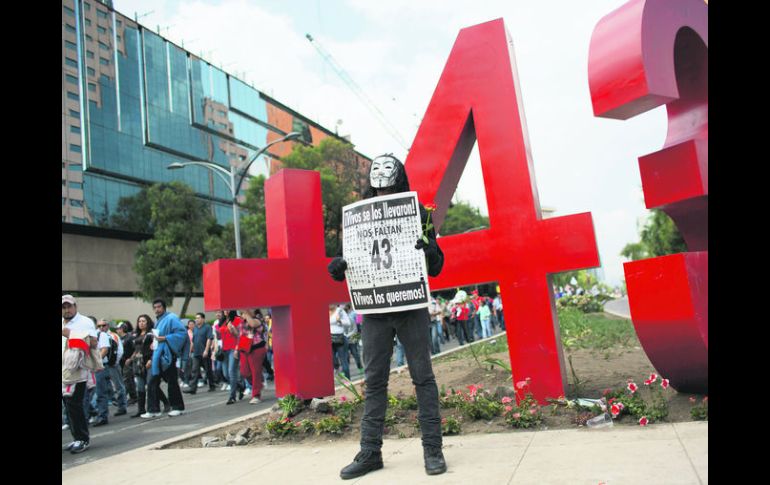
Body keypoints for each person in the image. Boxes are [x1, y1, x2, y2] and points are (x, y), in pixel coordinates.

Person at [328, 153, 447, 479]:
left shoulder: (417, 213)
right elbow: (346, 261)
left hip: (410, 307)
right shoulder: (355, 218)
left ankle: (432, 449)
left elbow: (436, 267)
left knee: (423, 376)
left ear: (399, 176)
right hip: (376, 312)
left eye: (387, 169)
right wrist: (337, 268)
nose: (381, 176)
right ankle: (370, 452)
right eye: (376, 169)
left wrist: (429, 249)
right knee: (374, 380)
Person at [62, 294, 98, 454]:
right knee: (68, 406)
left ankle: (82, 439)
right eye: (63, 307)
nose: (67, 310)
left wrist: (70, 334)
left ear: (75, 306)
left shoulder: (84, 321)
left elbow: (93, 343)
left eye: (69, 306)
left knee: (74, 404)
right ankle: (76, 437)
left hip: (79, 369)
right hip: (64, 370)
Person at [143, 299, 186, 418]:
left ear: (164, 307)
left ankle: (178, 407)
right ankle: (153, 409)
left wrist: (165, 338)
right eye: (155, 307)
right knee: (151, 381)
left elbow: (182, 334)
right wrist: (155, 344)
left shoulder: (172, 318)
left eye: (159, 307)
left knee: (172, 381)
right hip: (157, 355)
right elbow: (157, 337)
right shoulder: (158, 321)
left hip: (168, 354)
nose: (157, 309)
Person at [129, 314, 169, 417]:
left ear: (148, 322)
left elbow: (156, 348)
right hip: (138, 363)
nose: (141, 323)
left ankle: (165, 402)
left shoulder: (152, 334)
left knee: (151, 384)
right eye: (139, 321)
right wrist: (131, 358)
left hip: (149, 362)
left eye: (143, 321)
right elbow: (136, 349)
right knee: (140, 386)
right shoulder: (136, 334)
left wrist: (151, 360)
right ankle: (141, 409)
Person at [238, 309, 268, 404]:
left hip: (256, 348)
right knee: (244, 372)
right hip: (244, 348)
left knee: (255, 372)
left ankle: (256, 395)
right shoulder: (243, 320)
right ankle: (259, 382)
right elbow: (240, 335)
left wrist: (246, 313)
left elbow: (253, 324)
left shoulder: (258, 318)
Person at [184, 313, 216, 394]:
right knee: (194, 370)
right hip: (196, 353)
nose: (196, 319)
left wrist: (206, 350)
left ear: (203, 319)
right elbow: (193, 341)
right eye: (196, 318)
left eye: (198, 318)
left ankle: (212, 385)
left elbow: (209, 339)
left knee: (208, 370)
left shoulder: (207, 327)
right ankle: (193, 388)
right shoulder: (195, 329)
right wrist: (190, 351)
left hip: (204, 352)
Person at [116, 321, 137, 405]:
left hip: (128, 361)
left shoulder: (129, 338)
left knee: (127, 379)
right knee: (127, 379)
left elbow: (135, 349)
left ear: (122, 329)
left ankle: (130, 397)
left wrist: (131, 359)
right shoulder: (119, 339)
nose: (117, 330)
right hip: (121, 362)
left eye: (118, 328)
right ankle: (133, 396)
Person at [330, 304, 351, 380]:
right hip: (329, 339)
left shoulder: (340, 311)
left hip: (340, 338)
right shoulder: (325, 310)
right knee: (332, 360)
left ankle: (348, 380)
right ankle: (337, 370)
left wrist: (339, 320)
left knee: (343, 360)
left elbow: (349, 323)